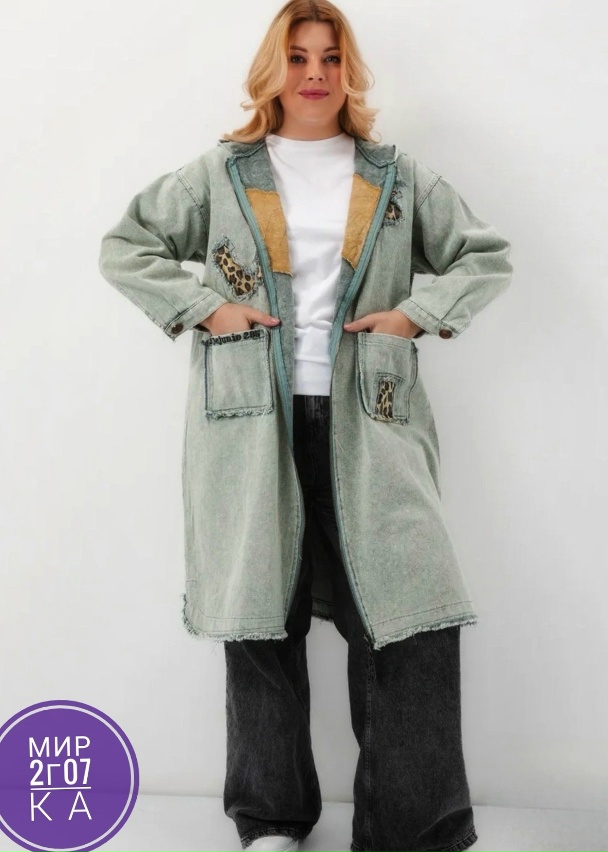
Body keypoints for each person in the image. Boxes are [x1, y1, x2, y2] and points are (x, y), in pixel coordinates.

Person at [98, 1, 513, 850]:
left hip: (374, 417)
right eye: (297, 56)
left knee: (409, 614)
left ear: (349, 71)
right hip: (251, 418)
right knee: (261, 617)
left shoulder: (396, 177)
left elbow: (484, 255)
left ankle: (411, 830)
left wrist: (415, 314)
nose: (315, 73)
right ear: (273, 70)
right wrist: (207, 308)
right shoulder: (222, 174)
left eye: (330, 56)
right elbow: (127, 245)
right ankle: (271, 821)